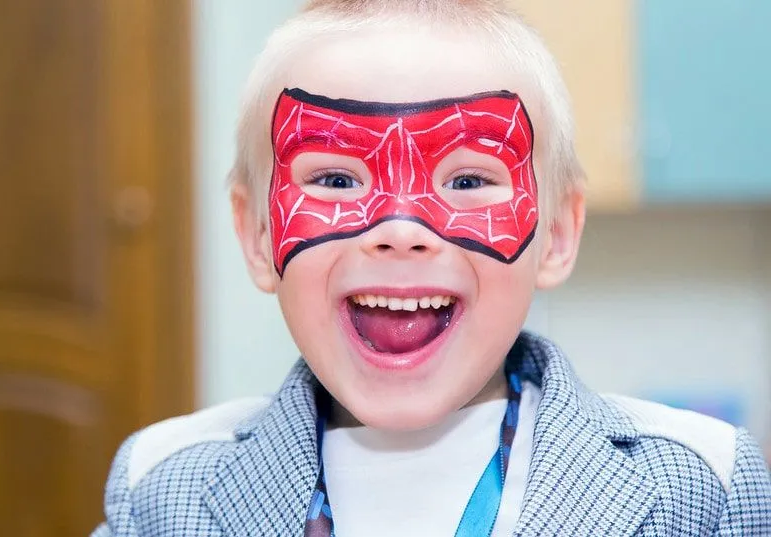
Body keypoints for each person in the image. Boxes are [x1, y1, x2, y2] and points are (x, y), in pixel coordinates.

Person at [92, 1, 771, 535]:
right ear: (258, 233)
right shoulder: (160, 487)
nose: (400, 229)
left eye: (469, 180)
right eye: (334, 177)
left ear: (558, 232)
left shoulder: (702, 485)